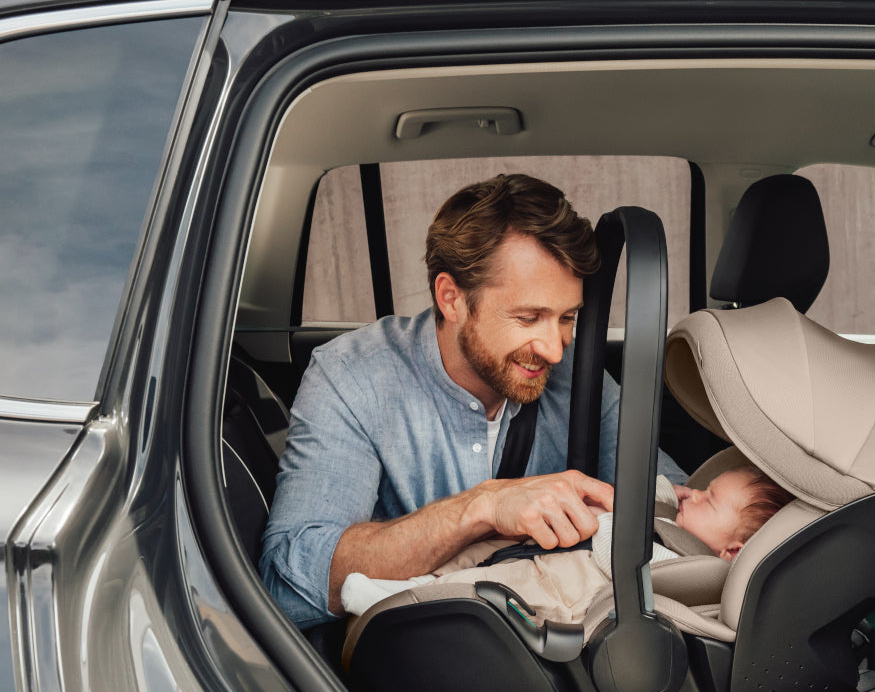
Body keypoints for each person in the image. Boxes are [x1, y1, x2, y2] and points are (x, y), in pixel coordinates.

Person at [260, 173, 686, 628]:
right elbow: (290, 586)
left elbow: (672, 506)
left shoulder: (576, 372)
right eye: (528, 317)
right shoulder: (354, 376)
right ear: (452, 298)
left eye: (567, 317)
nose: (555, 349)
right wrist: (480, 507)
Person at [340, 465, 794, 623]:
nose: (693, 493)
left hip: (561, 589)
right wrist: (665, 494)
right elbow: (654, 504)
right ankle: (413, 578)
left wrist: (614, 514)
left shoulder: (690, 568)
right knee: (476, 551)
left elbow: (620, 551)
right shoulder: (689, 526)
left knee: (486, 584)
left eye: (708, 499)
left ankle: (397, 600)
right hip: (552, 561)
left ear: (731, 553)